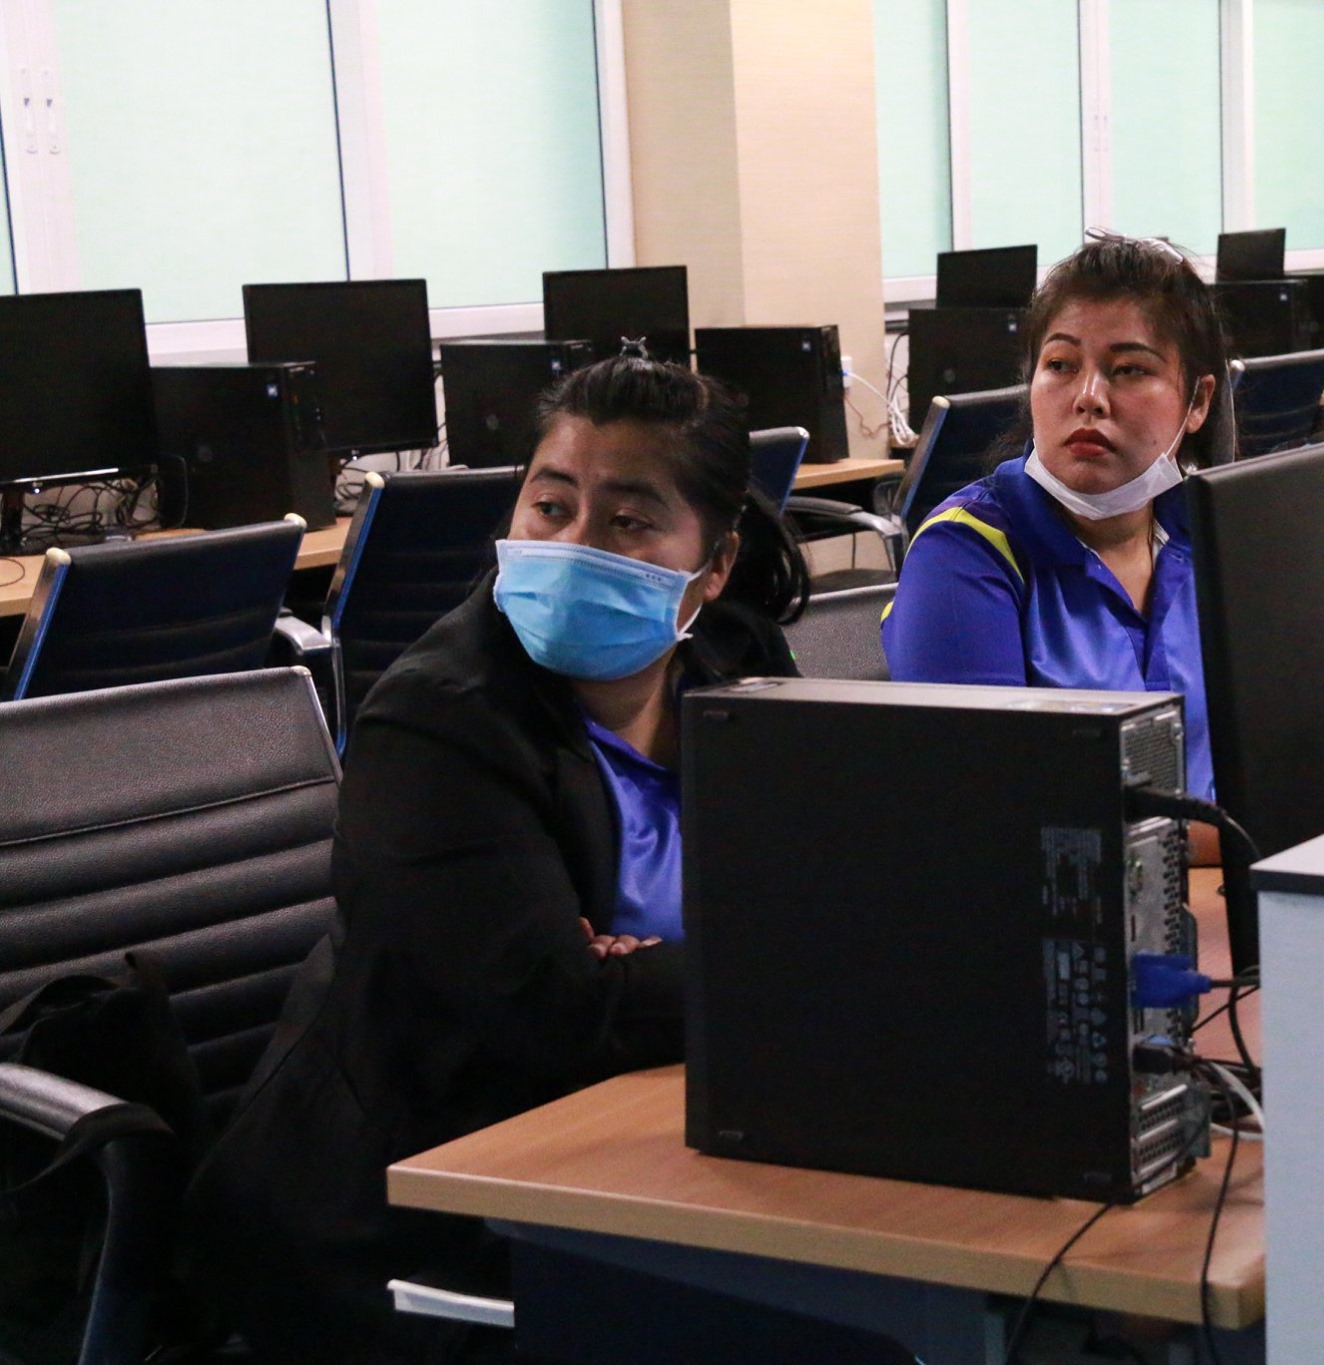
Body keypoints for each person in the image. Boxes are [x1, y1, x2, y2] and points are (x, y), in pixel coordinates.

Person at [186, 357, 857, 1365]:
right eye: (550, 505)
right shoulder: (440, 721)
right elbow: (547, 1012)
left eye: (628, 520)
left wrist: (648, 974)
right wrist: (766, 967)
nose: (573, 544)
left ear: (711, 566)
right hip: (417, 1215)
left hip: (652, 1144)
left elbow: (833, 897)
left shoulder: (738, 661)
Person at [882, 232, 1229, 832]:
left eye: (1129, 369)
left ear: (1197, 402)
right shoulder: (964, 552)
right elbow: (984, 814)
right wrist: (1247, 831)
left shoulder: (1214, 536)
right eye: (1061, 365)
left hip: (1225, 878)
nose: (1089, 398)